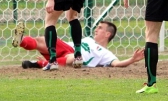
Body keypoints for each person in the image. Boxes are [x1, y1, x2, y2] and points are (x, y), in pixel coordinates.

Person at [12, 20, 144, 69]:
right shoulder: (88, 39)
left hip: (72, 58)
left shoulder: (105, 53)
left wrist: (132, 59)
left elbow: (116, 64)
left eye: (100, 28)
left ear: (108, 34)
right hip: (66, 48)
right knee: (43, 40)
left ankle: (39, 64)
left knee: (74, 58)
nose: (96, 29)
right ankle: (21, 40)